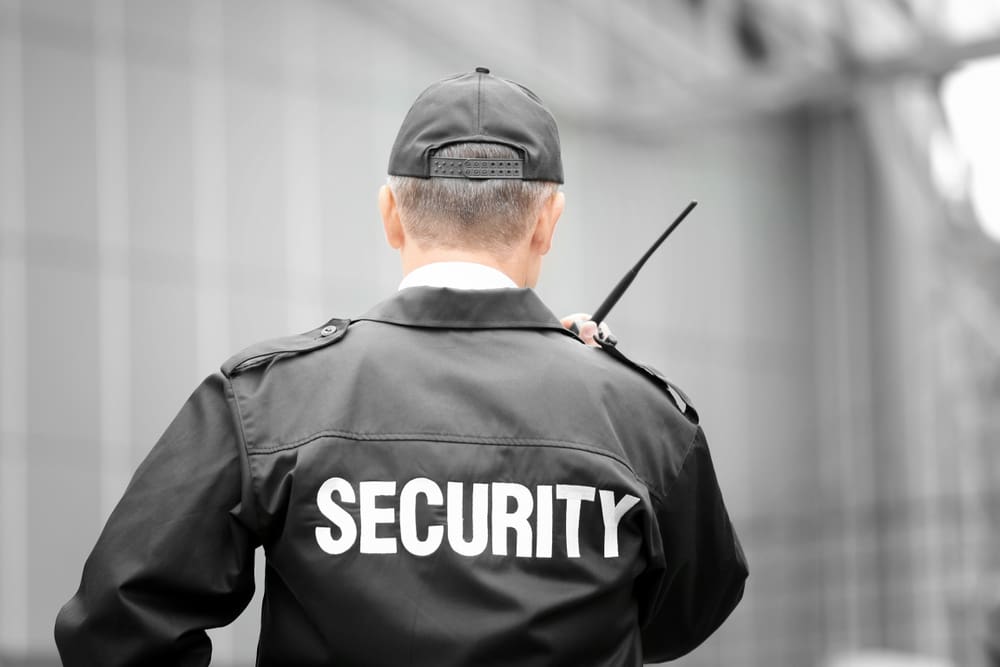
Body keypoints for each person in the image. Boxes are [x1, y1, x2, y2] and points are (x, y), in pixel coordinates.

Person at [55, 67, 747, 666]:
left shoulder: (267, 400)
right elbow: (687, 610)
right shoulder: (644, 420)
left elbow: (118, 624)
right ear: (546, 222)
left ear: (391, 213)